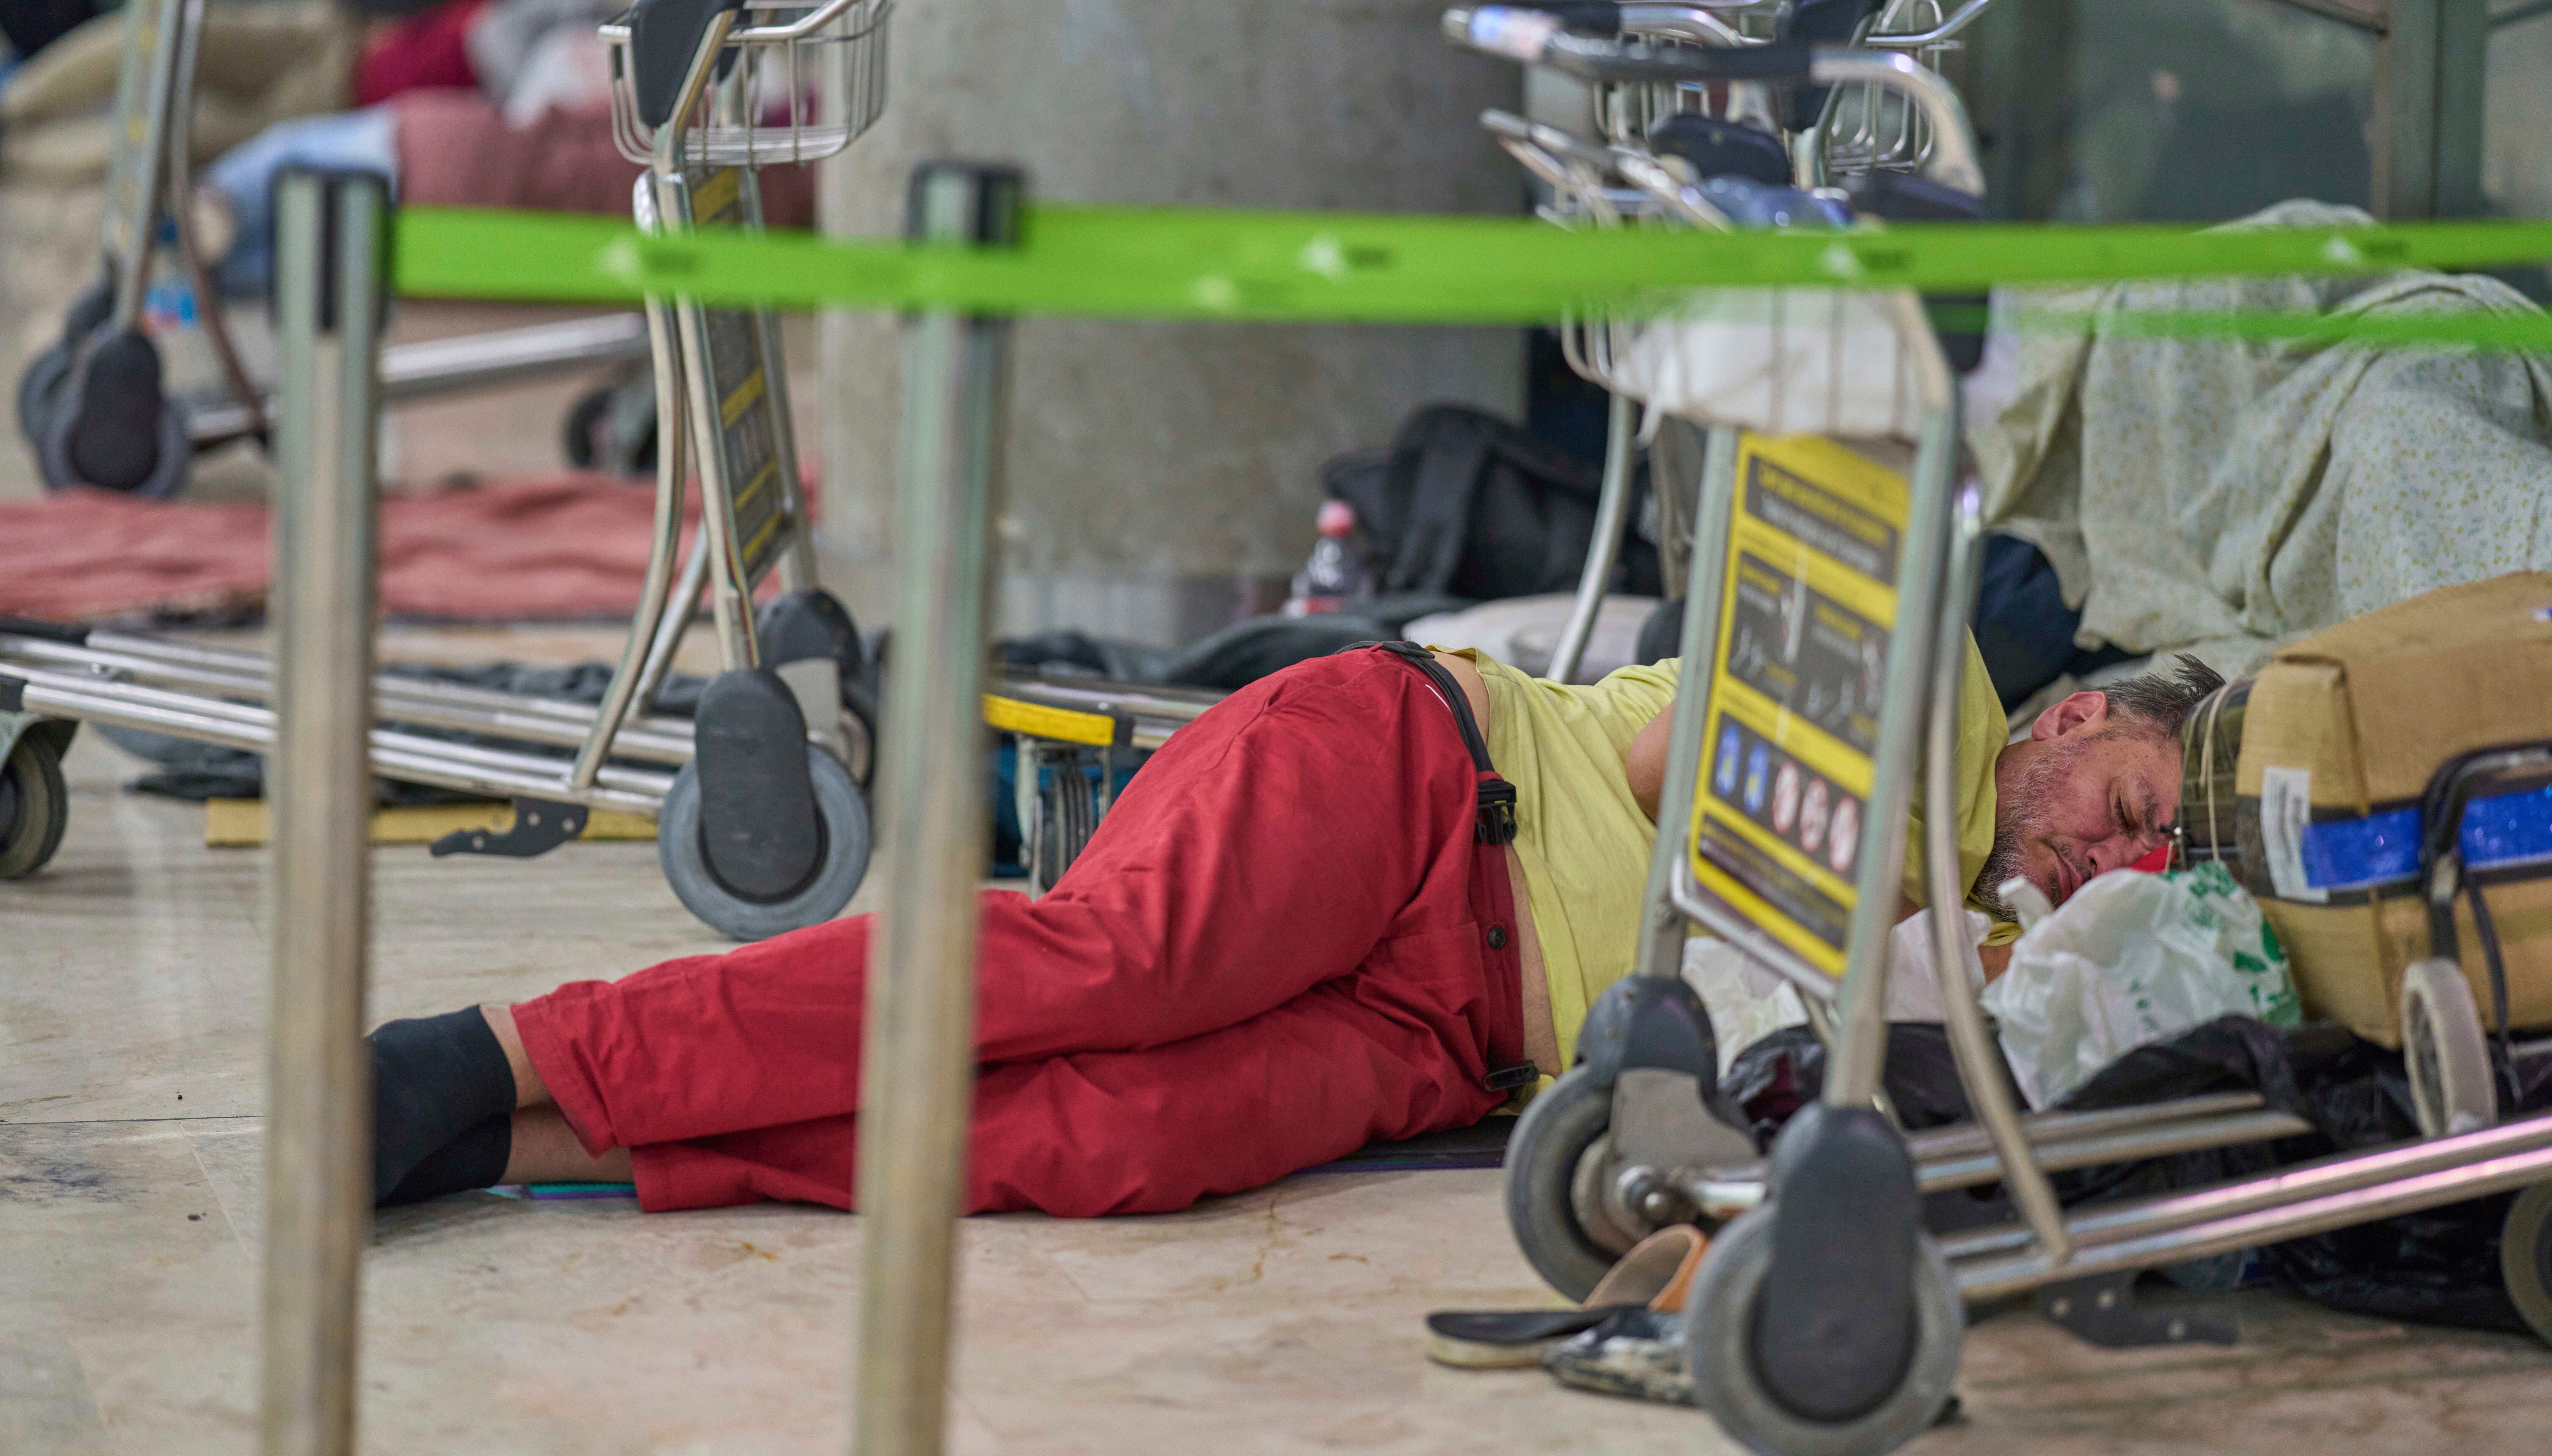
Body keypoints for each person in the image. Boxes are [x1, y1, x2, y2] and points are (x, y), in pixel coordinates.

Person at [368, 637, 2221, 1217]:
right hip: (1420, 777)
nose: (2112, 858)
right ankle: (509, 1053)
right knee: (1111, 968)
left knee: (1129, 1138)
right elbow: (1685, 763)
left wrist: (2039, 927)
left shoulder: (1988, 942)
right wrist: (1933, 855)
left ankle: (539, 1142)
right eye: (2130, 810)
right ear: (2072, 721)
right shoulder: (1931, 690)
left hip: (1460, 1042)